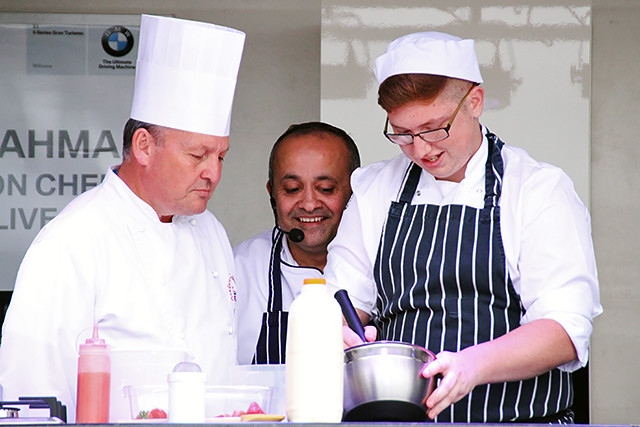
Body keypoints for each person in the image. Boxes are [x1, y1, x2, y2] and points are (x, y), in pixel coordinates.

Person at [325, 32, 602, 423]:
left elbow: (564, 330)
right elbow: (341, 301)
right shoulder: (374, 189)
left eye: (435, 128)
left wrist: (472, 366)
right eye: (402, 134)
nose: (421, 149)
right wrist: (339, 335)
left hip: (518, 421)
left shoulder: (537, 190)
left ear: (475, 102)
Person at [0, 14, 245, 421]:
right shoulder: (74, 241)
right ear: (144, 146)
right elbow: (30, 399)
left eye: (221, 156)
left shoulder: (211, 232)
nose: (213, 173)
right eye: (197, 155)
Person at [234, 122, 360, 365]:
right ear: (272, 193)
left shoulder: (385, 264)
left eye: (326, 188)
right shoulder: (239, 270)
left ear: (354, 191)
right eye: (292, 189)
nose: (310, 204)